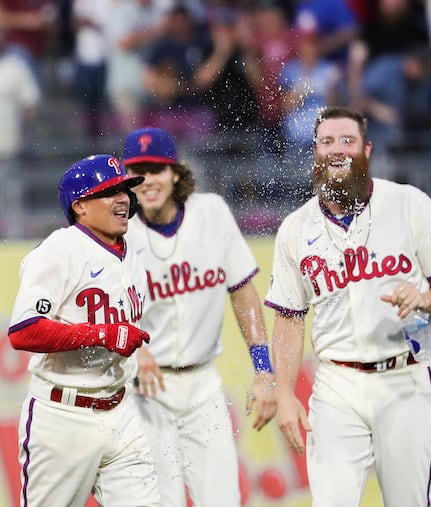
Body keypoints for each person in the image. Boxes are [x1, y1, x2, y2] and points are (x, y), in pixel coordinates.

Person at [265, 106, 431, 506]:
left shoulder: (409, 204)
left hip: (404, 378)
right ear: (315, 152)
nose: (336, 149)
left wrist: (424, 298)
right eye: (326, 142)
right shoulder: (296, 228)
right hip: (337, 383)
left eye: (347, 140)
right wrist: (284, 393)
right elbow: (288, 321)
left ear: (367, 149)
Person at [121, 126, 276, 507]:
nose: (147, 181)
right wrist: (131, 348)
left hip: (202, 383)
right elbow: (95, 309)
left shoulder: (212, 213)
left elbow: (243, 293)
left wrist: (264, 369)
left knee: (224, 499)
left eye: (155, 169)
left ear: (175, 172)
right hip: (146, 394)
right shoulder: (118, 233)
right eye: (137, 171)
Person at [7, 154, 158, 506]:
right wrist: (103, 334)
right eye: (109, 191)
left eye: (124, 189)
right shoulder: (60, 250)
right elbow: (24, 331)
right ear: (80, 206)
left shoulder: (132, 249)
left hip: (122, 412)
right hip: (62, 417)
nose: (122, 198)